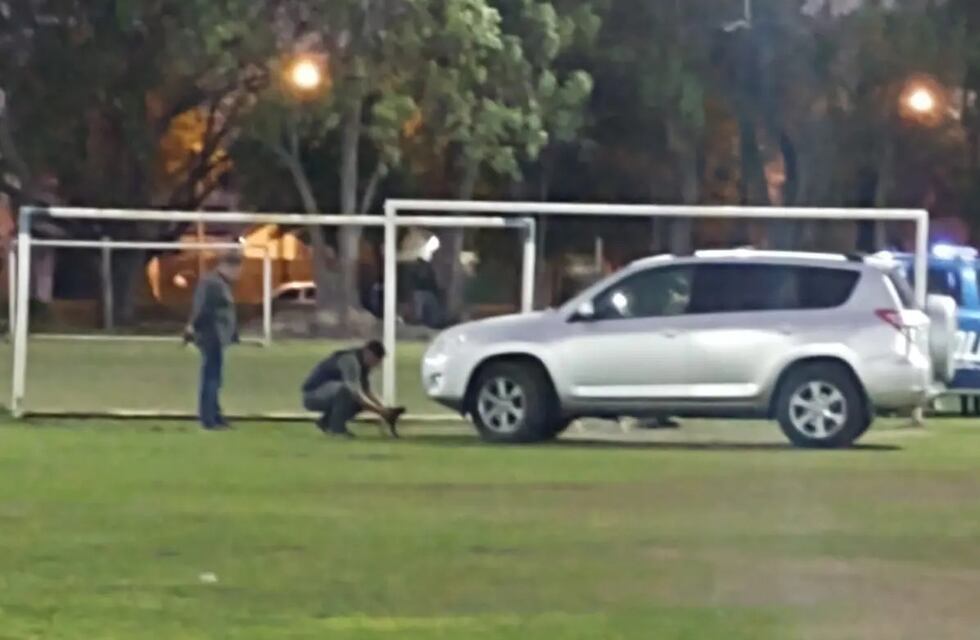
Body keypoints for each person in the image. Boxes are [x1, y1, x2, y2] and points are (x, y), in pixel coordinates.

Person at [184, 251, 243, 430]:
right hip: (212, 336)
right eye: (238, 269)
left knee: (215, 378)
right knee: (211, 378)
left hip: (218, 336)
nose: (238, 274)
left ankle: (215, 415)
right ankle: (209, 418)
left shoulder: (220, 283)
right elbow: (201, 308)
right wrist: (192, 327)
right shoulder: (212, 283)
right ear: (227, 266)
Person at [301, 340, 405, 438]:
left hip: (330, 393)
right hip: (313, 394)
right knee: (346, 391)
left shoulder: (363, 365)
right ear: (367, 353)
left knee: (357, 402)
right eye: (376, 361)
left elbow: (366, 391)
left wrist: (384, 409)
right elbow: (355, 393)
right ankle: (337, 430)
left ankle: (326, 423)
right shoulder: (350, 361)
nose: (376, 365)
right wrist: (381, 412)